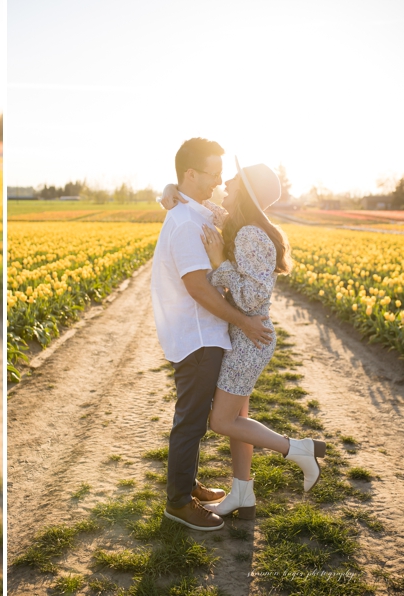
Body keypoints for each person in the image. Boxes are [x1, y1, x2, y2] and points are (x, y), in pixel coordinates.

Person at [159, 160, 326, 520]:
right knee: (239, 416)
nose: (225, 183)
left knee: (221, 421)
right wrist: (171, 192)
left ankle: (299, 450)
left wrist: (220, 262)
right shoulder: (237, 221)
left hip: (251, 337)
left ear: (246, 191)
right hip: (241, 335)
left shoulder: (250, 233)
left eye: (233, 180)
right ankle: (242, 494)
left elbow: (251, 299)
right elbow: (197, 204)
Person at [149, 138, 275, 532]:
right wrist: (242, 321)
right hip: (198, 334)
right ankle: (178, 503)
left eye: (223, 176)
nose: (219, 183)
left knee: (196, 418)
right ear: (191, 174)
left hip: (203, 333)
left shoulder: (195, 212)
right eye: (213, 175)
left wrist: (169, 193)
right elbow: (199, 288)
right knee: (191, 421)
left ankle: (186, 485)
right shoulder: (187, 222)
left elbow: (204, 208)